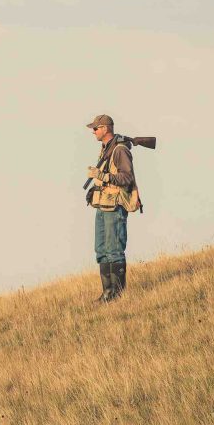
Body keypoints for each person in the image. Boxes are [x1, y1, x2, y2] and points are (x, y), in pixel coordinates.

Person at [85, 114, 140, 302]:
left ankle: (117, 295)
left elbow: (127, 178)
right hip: (102, 204)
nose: (93, 132)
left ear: (105, 129)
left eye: (95, 128)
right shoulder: (106, 148)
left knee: (114, 250)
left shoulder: (120, 150)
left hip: (115, 205)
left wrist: (103, 176)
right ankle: (107, 293)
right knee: (101, 250)